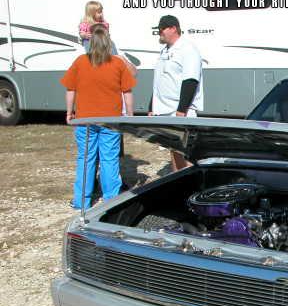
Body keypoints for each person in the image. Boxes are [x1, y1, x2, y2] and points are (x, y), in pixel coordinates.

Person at [61, 27, 136, 209]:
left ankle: (82, 201)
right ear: (108, 42)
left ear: (91, 43)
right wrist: (130, 115)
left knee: (86, 159)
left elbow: (71, 89)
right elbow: (127, 92)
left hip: (85, 120)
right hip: (111, 121)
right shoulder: (117, 63)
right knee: (109, 159)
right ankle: (111, 201)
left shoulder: (80, 62)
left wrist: (69, 112)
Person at [149, 15, 203, 171]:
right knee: (173, 150)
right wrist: (152, 106)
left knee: (186, 154)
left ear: (173, 28)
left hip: (180, 111)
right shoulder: (165, 51)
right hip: (165, 110)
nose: (159, 33)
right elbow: (159, 81)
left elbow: (190, 80)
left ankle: (191, 181)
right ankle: (177, 179)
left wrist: (181, 109)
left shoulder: (188, 49)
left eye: (162, 29)